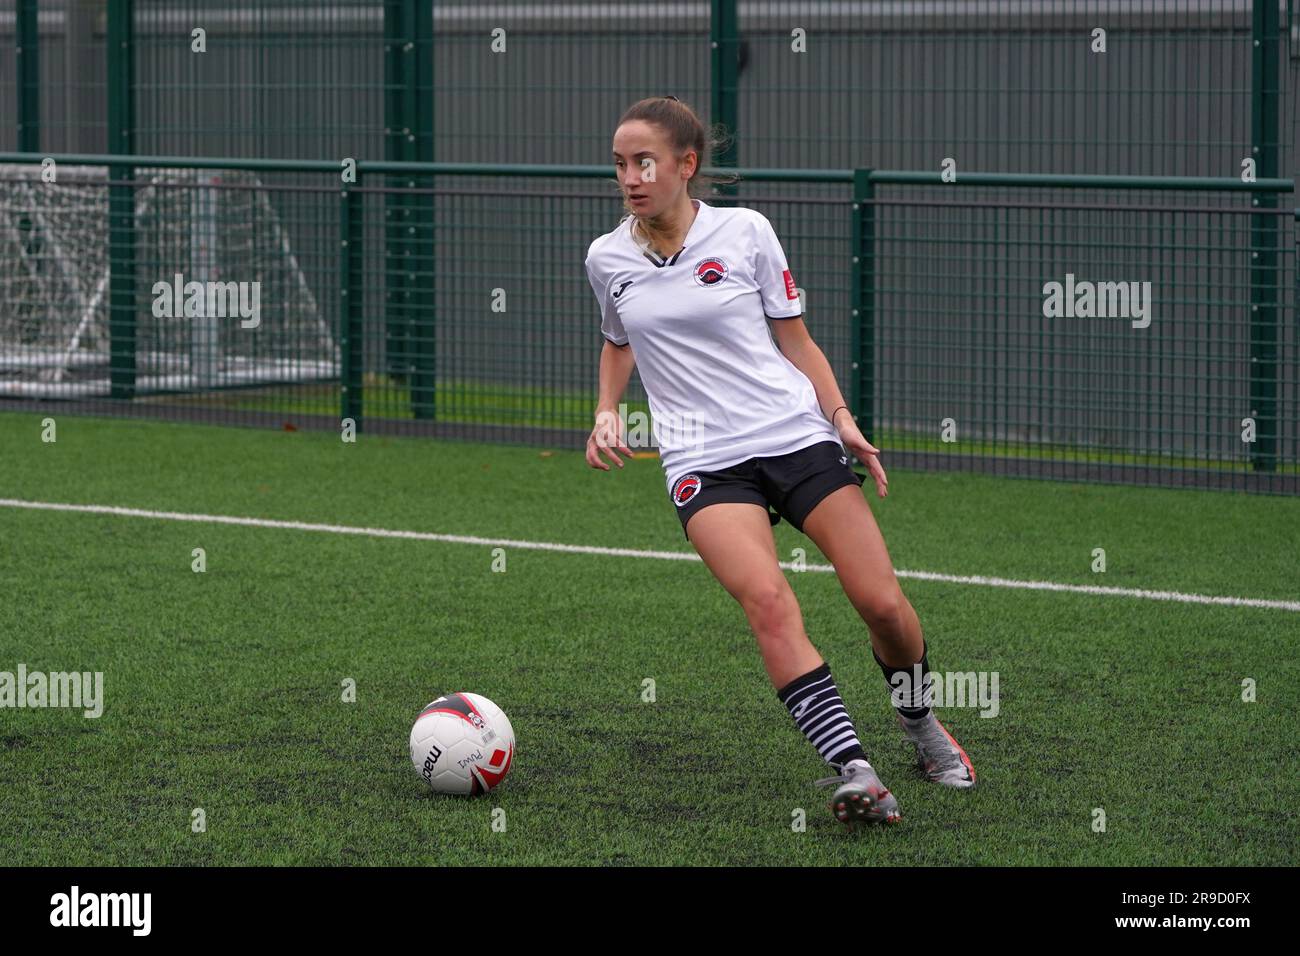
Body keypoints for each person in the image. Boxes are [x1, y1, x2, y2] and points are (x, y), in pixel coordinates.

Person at [583, 96, 975, 825]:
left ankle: (920, 721)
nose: (630, 178)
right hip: (702, 459)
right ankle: (856, 770)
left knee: (881, 604)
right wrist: (607, 408)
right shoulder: (606, 257)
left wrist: (841, 419)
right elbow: (617, 341)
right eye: (620, 164)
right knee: (767, 601)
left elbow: (796, 339)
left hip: (793, 434)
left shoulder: (746, 232)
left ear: (686, 165)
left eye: (645, 162)